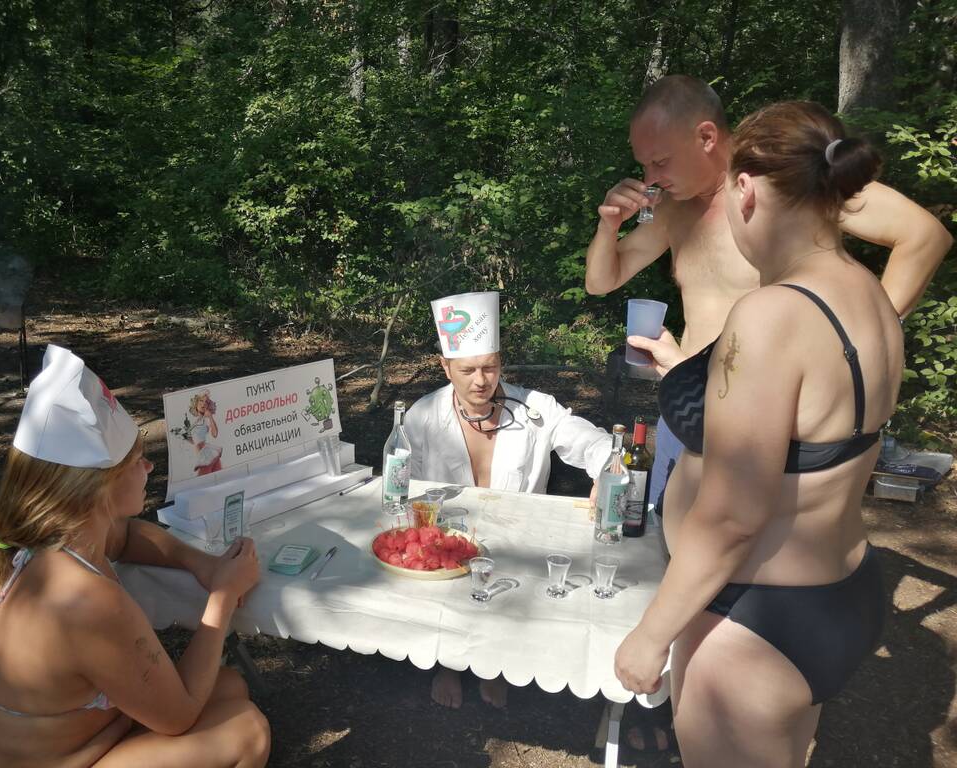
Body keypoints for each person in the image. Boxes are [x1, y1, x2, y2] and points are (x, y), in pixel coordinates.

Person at [614, 101, 904, 767]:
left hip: (755, 617)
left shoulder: (771, 313)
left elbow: (733, 516)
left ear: (745, 189)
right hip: (841, 592)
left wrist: (652, 635)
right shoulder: (868, 295)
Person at [586, 74, 951, 518]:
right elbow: (601, 281)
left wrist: (863, 339)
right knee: (665, 534)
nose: (650, 178)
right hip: (686, 409)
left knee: (733, 546)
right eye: (643, 165)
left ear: (706, 137)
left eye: (660, 161)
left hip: (762, 430)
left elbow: (923, 235)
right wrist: (608, 225)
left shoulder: (783, 178)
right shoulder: (671, 208)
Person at [0, 345, 270, 768]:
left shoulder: (54, 540)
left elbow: (127, 536)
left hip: (69, 746)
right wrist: (222, 594)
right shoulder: (88, 602)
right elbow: (180, 715)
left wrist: (201, 564)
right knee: (246, 730)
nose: (149, 468)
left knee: (227, 687)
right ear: (99, 489)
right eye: (137, 460)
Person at [405, 290, 612, 709]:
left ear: (501, 362)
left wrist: (608, 468)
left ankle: (494, 666)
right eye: (467, 370)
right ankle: (449, 664)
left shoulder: (536, 408)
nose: (480, 381)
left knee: (508, 595)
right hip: (449, 537)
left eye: (490, 367)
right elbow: (406, 484)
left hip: (518, 536)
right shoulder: (422, 416)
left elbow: (590, 440)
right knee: (447, 588)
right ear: (445, 366)